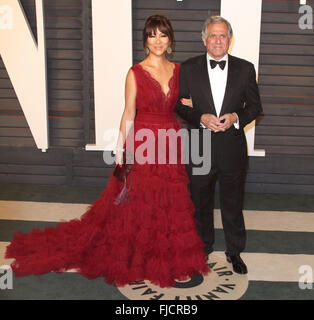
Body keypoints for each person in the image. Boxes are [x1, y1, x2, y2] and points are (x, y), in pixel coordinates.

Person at [5, 15, 209, 288]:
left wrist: (193, 102)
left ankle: (161, 254)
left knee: (169, 202)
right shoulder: (135, 72)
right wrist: (121, 149)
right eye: (152, 35)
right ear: (145, 40)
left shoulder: (179, 70)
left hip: (170, 141)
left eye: (163, 35)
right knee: (138, 202)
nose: (158, 41)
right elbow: (128, 112)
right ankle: (136, 256)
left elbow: (185, 104)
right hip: (143, 143)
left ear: (170, 39)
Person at [175, 16, 262, 274]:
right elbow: (179, 105)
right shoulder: (188, 68)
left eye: (222, 35)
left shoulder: (245, 69)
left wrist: (236, 118)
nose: (217, 40)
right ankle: (202, 249)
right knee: (199, 202)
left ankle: (235, 252)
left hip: (232, 149)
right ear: (204, 39)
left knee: (233, 204)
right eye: (212, 35)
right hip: (198, 147)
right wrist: (199, 117)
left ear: (230, 40)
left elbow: (255, 107)